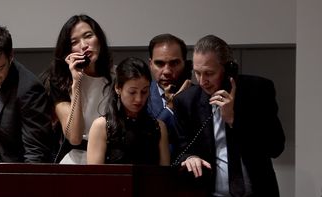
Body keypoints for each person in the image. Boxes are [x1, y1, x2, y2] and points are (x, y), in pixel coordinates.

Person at [174, 35, 285, 197]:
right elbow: (179, 150)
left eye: (209, 73)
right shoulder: (186, 102)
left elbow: (276, 147)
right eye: (197, 73)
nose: (202, 81)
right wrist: (189, 157)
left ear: (228, 69)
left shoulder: (258, 91)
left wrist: (234, 119)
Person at [0, 23, 54, 163]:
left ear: (11, 57)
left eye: (0, 68)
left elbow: (35, 152)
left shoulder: (29, 89)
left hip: (13, 172)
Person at [41, 14, 113, 164]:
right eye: (75, 42)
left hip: (112, 156)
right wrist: (76, 82)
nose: (84, 45)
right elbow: (74, 137)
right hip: (77, 157)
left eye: (88, 36)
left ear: (99, 38)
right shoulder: (60, 81)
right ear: (68, 50)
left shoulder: (116, 76)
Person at [87, 57, 169, 165]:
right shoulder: (102, 126)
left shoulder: (158, 127)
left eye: (144, 92)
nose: (139, 99)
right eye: (132, 92)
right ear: (118, 88)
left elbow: (164, 175)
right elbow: (95, 177)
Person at [147, 33, 191, 147]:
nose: (166, 71)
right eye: (159, 63)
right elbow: (147, 139)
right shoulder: (141, 95)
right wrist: (171, 106)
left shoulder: (200, 96)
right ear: (150, 64)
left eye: (174, 63)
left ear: (185, 64)